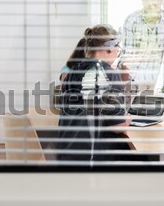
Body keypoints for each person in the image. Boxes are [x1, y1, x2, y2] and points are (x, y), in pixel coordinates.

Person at [56, 24, 133, 162]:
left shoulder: (72, 72)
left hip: (66, 156)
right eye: (118, 49)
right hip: (93, 160)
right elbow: (117, 126)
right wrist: (127, 119)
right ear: (110, 47)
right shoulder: (108, 73)